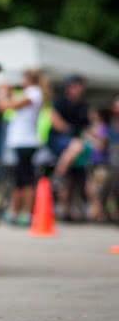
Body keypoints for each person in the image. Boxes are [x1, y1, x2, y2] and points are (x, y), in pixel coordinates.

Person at [0, 69, 48, 226]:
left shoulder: (34, 92)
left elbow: (5, 106)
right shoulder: (29, 93)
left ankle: (25, 212)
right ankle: (16, 211)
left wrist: (1, 94)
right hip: (21, 141)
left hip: (26, 141)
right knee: (20, 179)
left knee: (25, 179)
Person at [48, 75, 92, 217]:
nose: (79, 89)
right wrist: (72, 132)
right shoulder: (60, 102)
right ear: (69, 87)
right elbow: (57, 123)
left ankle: (67, 208)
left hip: (73, 146)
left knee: (75, 174)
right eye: (76, 85)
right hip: (59, 140)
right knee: (77, 145)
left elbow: (87, 127)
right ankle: (58, 175)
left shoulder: (83, 106)